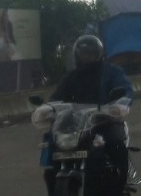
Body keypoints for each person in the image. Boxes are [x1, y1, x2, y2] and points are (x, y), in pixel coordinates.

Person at [44, 34, 135, 184]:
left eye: (92, 53)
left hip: (105, 120)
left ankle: (120, 183)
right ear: (78, 55)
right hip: (76, 123)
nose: (88, 57)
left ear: (99, 54)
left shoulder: (112, 72)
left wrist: (119, 105)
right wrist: (49, 109)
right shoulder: (72, 76)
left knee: (116, 143)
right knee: (52, 147)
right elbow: (57, 97)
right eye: (84, 53)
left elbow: (126, 90)